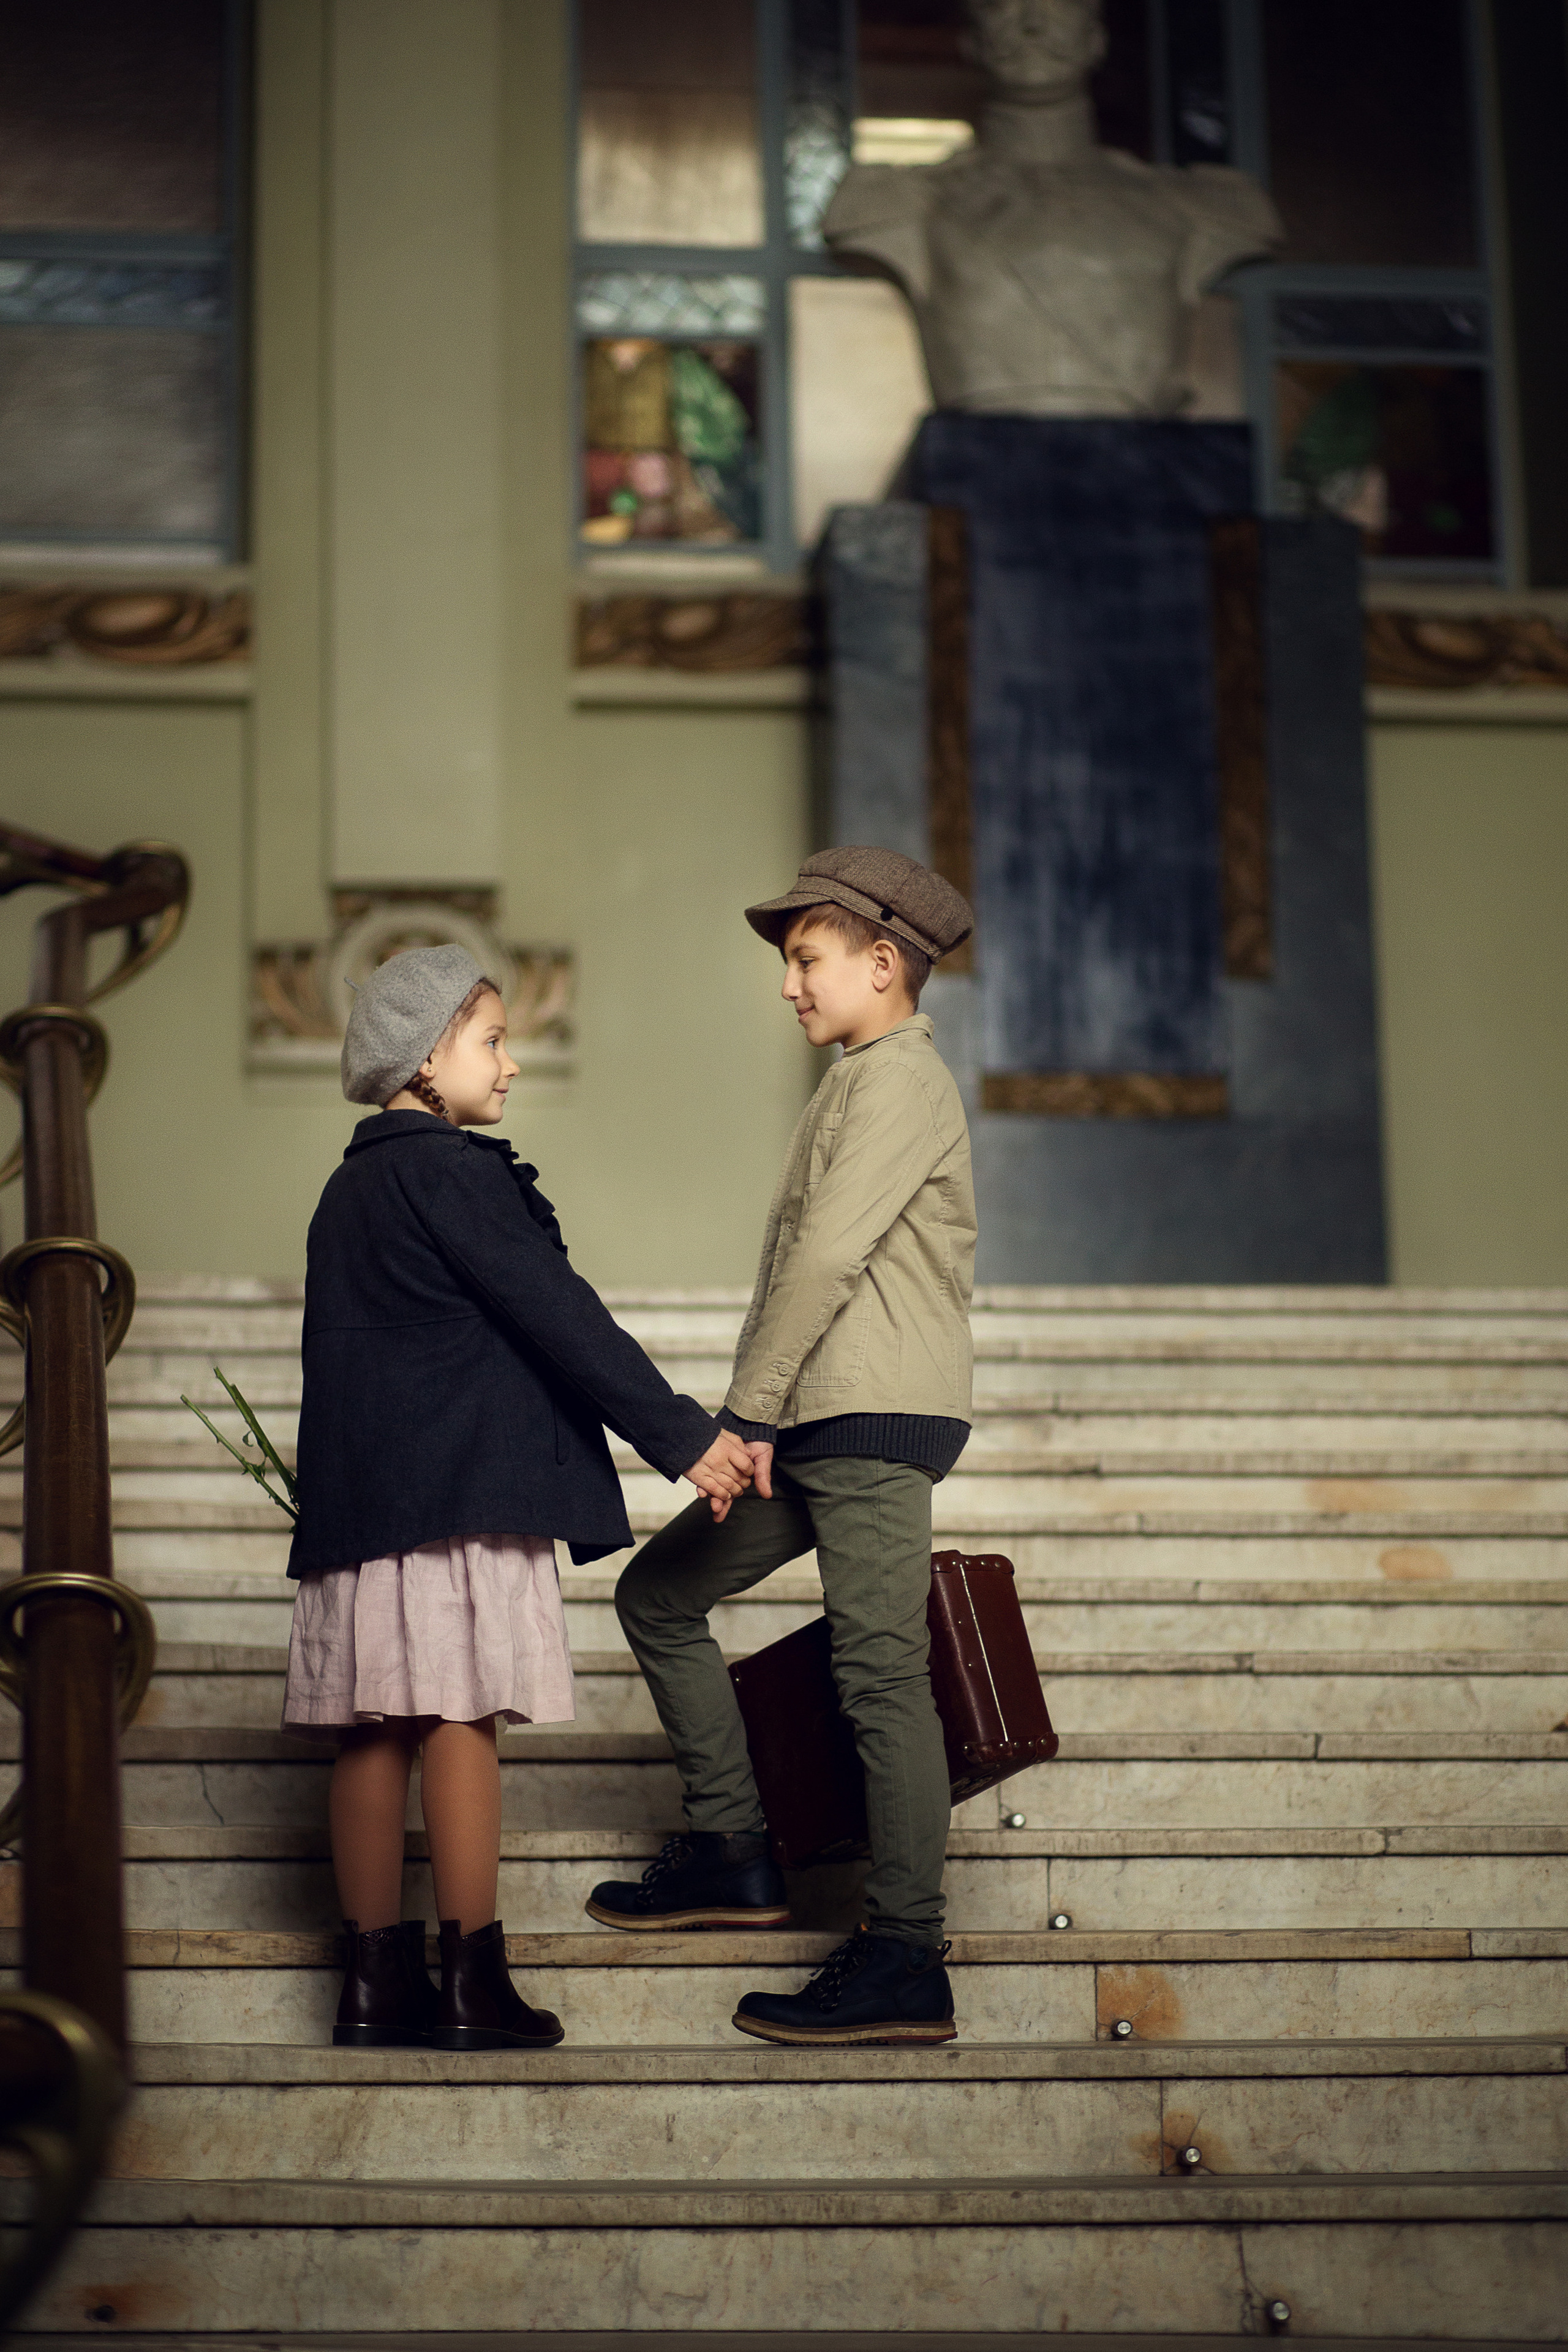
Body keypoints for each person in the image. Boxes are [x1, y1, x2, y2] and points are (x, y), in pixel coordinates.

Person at [282, 944, 755, 2050]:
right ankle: (469, 1982)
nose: (510, 1064)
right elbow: (561, 1315)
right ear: (423, 1054)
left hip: (362, 1509)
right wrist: (683, 1437)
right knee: (460, 1716)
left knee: (369, 1733)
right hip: (456, 1499)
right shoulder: (450, 1172)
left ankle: (369, 1987)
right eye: (490, 1040)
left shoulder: (347, 1189)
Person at [587, 847, 976, 2046]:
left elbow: (823, 1264)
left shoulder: (902, 1080)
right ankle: (731, 1851)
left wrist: (742, 1415)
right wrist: (761, 1410)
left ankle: (906, 1951)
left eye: (804, 960)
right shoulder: (858, 1078)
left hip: (860, 1421)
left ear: (878, 961)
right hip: (813, 1417)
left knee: (878, 1674)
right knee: (659, 1595)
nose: (787, 985)